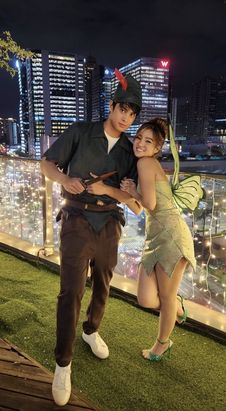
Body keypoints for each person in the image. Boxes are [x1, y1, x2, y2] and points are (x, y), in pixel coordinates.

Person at [40, 69, 142, 406]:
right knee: (71, 290)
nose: (126, 117)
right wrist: (62, 180)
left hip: (109, 222)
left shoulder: (130, 151)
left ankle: (91, 330)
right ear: (112, 106)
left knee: (103, 283)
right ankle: (62, 362)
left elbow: (132, 198)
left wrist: (123, 190)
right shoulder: (81, 132)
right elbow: (47, 164)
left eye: (132, 113)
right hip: (76, 217)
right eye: (123, 109)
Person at [120, 118, 196, 362]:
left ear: (156, 149)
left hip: (172, 236)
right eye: (139, 137)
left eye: (148, 141)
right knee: (145, 299)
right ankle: (176, 304)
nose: (140, 143)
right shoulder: (146, 163)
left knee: (163, 298)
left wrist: (132, 193)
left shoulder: (145, 163)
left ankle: (161, 344)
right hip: (156, 236)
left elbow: (150, 204)